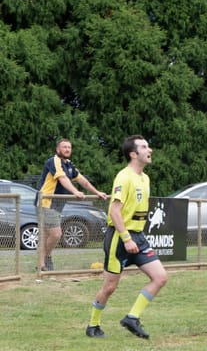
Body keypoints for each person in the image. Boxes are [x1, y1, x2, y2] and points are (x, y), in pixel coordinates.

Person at [86, 136, 165, 339]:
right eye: (144, 147)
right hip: (120, 238)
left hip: (138, 236)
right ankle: (93, 325)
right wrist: (126, 238)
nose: (150, 150)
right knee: (110, 287)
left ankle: (132, 318)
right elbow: (114, 211)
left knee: (160, 277)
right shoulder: (124, 177)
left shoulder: (145, 178)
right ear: (133, 154)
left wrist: (134, 237)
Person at [37, 138, 108, 272]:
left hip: (57, 204)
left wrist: (97, 192)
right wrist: (75, 191)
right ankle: (45, 259)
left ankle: (42, 265)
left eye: (69, 147)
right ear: (58, 149)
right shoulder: (54, 161)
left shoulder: (69, 164)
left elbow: (82, 180)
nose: (67, 149)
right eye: (64, 147)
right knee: (56, 234)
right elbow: (62, 178)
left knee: (47, 236)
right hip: (46, 202)